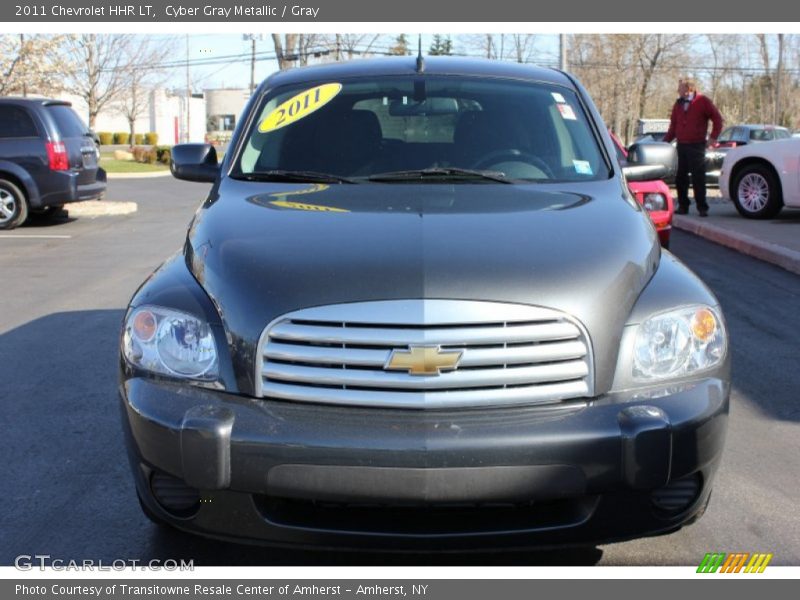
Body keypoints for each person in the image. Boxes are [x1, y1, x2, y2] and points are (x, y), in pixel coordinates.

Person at [663, 78, 723, 217]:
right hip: (681, 145)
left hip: (697, 145)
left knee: (698, 177)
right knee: (680, 177)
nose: (678, 90)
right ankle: (683, 206)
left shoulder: (703, 101)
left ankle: (702, 207)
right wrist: (665, 142)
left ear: (689, 89)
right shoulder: (678, 104)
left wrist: (713, 137)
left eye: (681, 88)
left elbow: (717, 119)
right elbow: (673, 126)